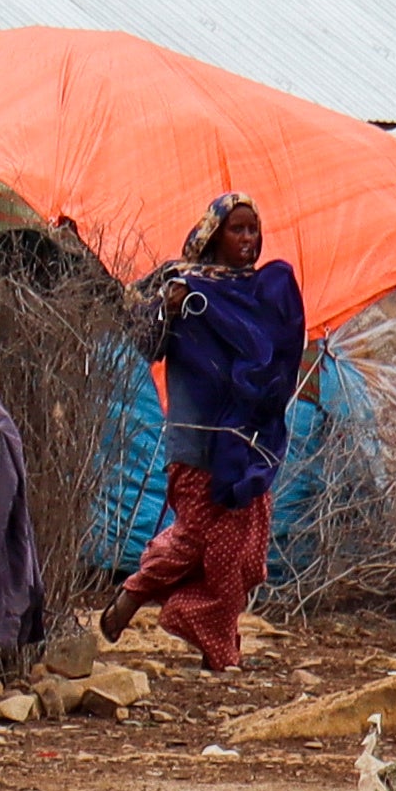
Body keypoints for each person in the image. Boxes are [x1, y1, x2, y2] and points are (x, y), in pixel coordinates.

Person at [105, 195, 308, 671]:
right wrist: (169, 311)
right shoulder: (185, 287)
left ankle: (161, 605)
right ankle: (208, 642)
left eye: (253, 230)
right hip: (197, 440)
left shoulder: (262, 292)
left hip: (248, 441)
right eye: (237, 230)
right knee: (202, 536)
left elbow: (280, 354)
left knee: (245, 550)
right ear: (214, 235)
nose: (248, 240)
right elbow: (146, 344)